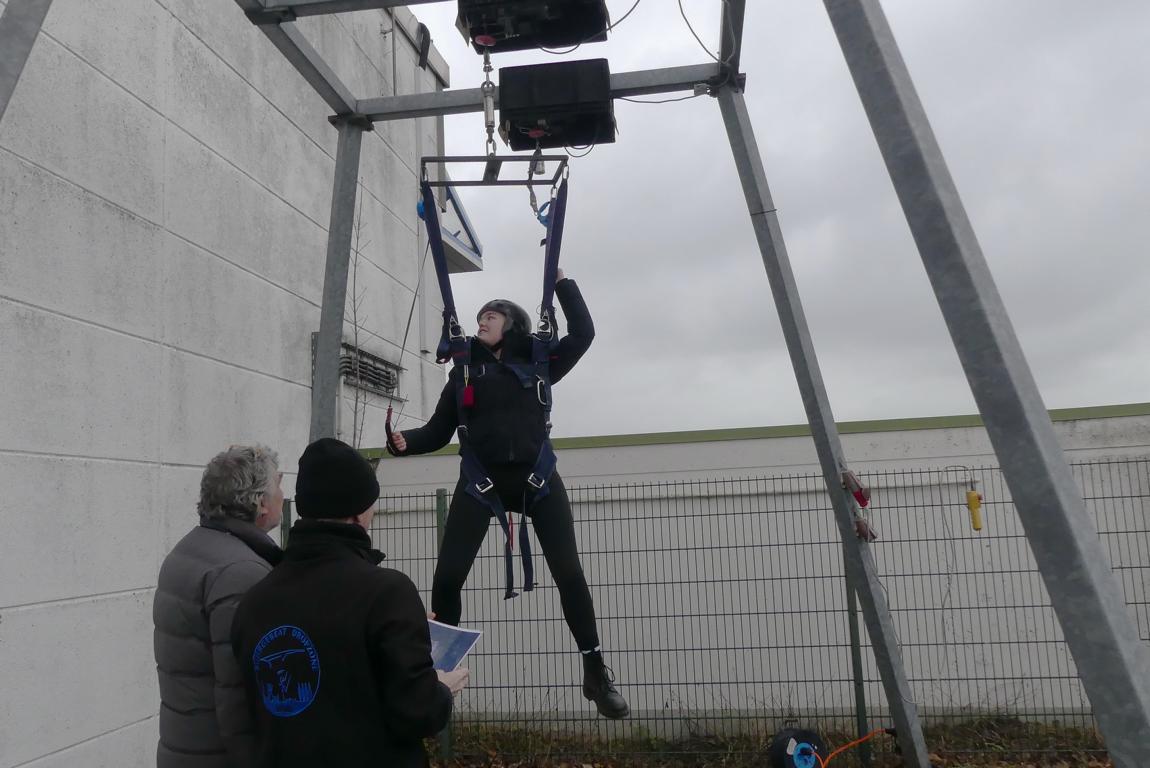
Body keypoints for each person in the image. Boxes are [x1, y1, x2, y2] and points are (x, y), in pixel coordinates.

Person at [389, 269, 629, 719]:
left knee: (569, 573)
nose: (482, 320)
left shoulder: (540, 363)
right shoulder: (463, 372)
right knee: (447, 577)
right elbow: (437, 432)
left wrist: (561, 283)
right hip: (482, 484)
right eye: (480, 316)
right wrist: (405, 442)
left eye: (492, 315)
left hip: (539, 481)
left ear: (513, 324)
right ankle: (437, 672)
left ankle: (596, 671)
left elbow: (584, 334)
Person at [231, 437, 468, 768]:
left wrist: (407, 628)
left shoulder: (254, 601)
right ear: (358, 513)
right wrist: (440, 689)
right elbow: (418, 713)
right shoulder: (388, 593)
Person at [153, 444, 285, 768]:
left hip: (182, 748)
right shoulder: (241, 572)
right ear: (260, 503)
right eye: (278, 485)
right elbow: (237, 692)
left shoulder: (187, 550)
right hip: (218, 756)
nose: (283, 494)